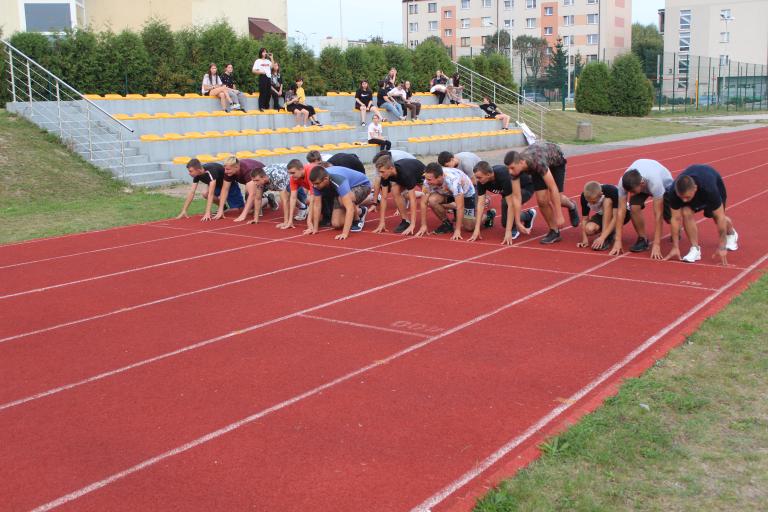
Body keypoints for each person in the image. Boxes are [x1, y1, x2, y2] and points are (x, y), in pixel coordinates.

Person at [505, 142, 579, 244]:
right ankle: (554, 231)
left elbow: (552, 188)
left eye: (512, 168)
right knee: (541, 200)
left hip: (555, 161)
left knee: (557, 198)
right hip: (536, 166)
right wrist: (517, 222)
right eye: (508, 168)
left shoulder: (537, 162)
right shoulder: (515, 171)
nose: (510, 172)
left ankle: (571, 205)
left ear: (521, 162)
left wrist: (559, 215)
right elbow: (517, 197)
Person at [664, 164, 738, 265]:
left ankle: (731, 233)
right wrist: (675, 247)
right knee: (685, 211)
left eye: (687, 197)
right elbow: (675, 219)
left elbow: (720, 217)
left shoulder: (710, 189)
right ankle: (695, 249)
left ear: (695, 188)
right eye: (681, 197)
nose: (684, 200)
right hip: (695, 190)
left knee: (715, 216)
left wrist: (722, 246)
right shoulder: (674, 192)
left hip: (713, 182)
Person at [609, 159, 674, 259]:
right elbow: (621, 211)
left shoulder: (655, 183)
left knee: (669, 218)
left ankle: (676, 231)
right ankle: (642, 239)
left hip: (665, 186)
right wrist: (618, 241)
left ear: (642, 184)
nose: (631, 194)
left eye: (633, 192)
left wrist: (657, 245)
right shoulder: (622, 183)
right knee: (633, 207)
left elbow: (658, 215)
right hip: (641, 182)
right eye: (629, 192)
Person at [469, 161, 537, 245]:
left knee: (506, 203)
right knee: (505, 222)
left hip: (525, 188)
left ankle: (514, 228)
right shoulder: (482, 182)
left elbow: (511, 204)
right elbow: (480, 204)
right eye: (476, 177)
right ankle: (528, 215)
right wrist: (477, 228)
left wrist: (508, 231)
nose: (477, 180)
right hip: (509, 193)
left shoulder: (504, 176)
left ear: (488, 174)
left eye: (479, 177)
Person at [305, 166, 372, 240]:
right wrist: (315, 228)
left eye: (317, 184)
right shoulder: (316, 182)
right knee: (336, 224)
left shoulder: (338, 180)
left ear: (326, 179)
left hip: (362, 186)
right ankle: (360, 211)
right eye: (313, 184)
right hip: (342, 191)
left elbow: (349, 208)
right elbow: (317, 205)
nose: (314, 186)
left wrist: (344, 233)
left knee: (343, 200)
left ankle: (357, 219)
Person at [417, 163, 476, 240]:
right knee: (432, 200)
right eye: (426, 178)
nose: (427, 182)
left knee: (469, 227)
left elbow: (460, 206)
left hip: (466, 194)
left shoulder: (453, 181)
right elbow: (423, 202)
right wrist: (423, 225)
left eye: (429, 179)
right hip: (448, 193)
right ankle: (447, 224)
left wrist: (458, 230)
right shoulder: (427, 182)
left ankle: (488, 216)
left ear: (440, 177)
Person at [177, 158, 246, 221]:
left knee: (239, 210)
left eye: (191, 171)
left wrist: (207, 212)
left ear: (198, 170)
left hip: (229, 185)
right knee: (205, 193)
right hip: (217, 186)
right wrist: (184, 210)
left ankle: (252, 207)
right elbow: (192, 192)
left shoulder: (211, 171)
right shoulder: (197, 175)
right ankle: (223, 207)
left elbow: (211, 193)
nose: (189, 173)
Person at [373, 155, 426, 236]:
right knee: (395, 190)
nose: (380, 175)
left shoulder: (406, 174)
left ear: (391, 168)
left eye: (382, 172)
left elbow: (413, 200)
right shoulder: (385, 175)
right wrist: (382, 222)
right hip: (403, 177)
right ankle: (405, 221)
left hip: (421, 176)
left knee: (429, 198)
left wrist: (413, 225)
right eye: (379, 172)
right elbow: (384, 198)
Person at [577, 181, 631, 251]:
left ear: (601, 194)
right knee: (589, 229)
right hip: (603, 214)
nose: (591, 203)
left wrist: (602, 237)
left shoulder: (611, 191)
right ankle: (610, 232)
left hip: (623, 214)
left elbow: (616, 217)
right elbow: (585, 219)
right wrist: (585, 240)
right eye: (589, 201)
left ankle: (606, 237)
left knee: (607, 201)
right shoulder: (584, 196)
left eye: (593, 202)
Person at [216, 157, 265, 221]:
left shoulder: (247, 170)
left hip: (263, 180)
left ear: (236, 167)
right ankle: (259, 203)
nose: (225, 171)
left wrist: (243, 215)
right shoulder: (228, 172)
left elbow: (252, 194)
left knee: (250, 195)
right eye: (225, 169)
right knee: (250, 208)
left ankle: (267, 199)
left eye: (228, 169)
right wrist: (220, 210)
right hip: (250, 183)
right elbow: (225, 189)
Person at [278, 159, 315, 230]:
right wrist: (290, 221)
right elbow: (293, 198)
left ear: (301, 169)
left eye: (293, 173)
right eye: (290, 173)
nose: (291, 175)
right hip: (319, 194)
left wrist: (309, 222)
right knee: (308, 201)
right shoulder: (293, 178)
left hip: (328, 192)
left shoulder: (311, 172)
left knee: (309, 200)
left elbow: (313, 197)